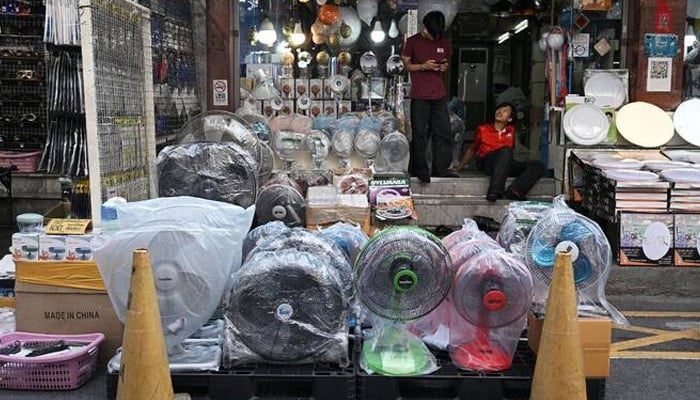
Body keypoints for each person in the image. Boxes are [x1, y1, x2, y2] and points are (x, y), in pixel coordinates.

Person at [402, 11, 458, 183]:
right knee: (420, 134)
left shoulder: (444, 42)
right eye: (432, 33)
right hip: (419, 95)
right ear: (425, 27)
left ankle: (441, 169)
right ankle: (420, 170)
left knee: (443, 133)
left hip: (439, 95)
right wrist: (423, 66)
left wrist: (443, 67)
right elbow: (406, 66)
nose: (435, 37)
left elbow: (446, 61)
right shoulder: (412, 42)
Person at [453, 102, 544, 202]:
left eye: (505, 111)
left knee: (537, 165)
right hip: (487, 161)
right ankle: (495, 190)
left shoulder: (511, 131)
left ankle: (516, 190)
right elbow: (472, 149)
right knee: (505, 150)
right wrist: (460, 167)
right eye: (499, 109)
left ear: (509, 119)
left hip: (504, 163)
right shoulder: (483, 129)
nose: (500, 111)